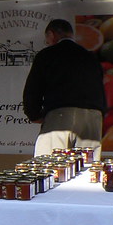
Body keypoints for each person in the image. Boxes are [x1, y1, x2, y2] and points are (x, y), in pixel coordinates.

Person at [22, 18, 106, 158]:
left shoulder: (47, 55)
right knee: (87, 167)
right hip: (93, 118)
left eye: (47, 40)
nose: (48, 43)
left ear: (51, 34)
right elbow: (101, 88)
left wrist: (33, 114)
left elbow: (33, 89)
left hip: (61, 115)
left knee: (50, 165)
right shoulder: (90, 57)